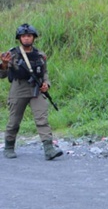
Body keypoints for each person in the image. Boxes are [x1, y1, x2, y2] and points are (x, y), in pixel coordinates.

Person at [0, 24, 64, 160]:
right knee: (14, 121)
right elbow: (2, 75)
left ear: (33, 38)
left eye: (29, 36)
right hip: (18, 89)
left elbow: (44, 72)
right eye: (24, 36)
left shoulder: (40, 55)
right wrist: (4, 65)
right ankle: (9, 147)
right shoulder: (11, 54)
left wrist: (46, 84)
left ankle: (49, 149)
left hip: (36, 89)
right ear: (19, 38)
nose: (27, 38)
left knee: (42, 119)